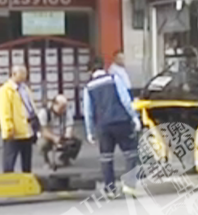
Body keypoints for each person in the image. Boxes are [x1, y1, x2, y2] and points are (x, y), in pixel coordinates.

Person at [83, 57, 142, 197]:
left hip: (103, 126)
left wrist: (90, 131)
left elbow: (88, 111)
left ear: (90, 71)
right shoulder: (114, 79)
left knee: (106, 158)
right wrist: (134, 117)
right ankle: (129, 185)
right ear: (103, 67)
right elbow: (125, 100)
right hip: (121, 120)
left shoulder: (89, 87)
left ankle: (110, 189)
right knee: (131, 153)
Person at [0, 65, 38, 173]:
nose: (25, 76)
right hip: (14, 130)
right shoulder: (5, 90)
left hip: (27, 128)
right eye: (22, 74)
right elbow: (4, 111)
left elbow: (30, 105)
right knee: (10, 158)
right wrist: (8, 128)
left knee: (27, 159)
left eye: (25, 73)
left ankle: (27, 178)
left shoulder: (25, 88)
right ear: (14, 74)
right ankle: (9, 180)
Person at [37, 94, 81, 170]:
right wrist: (55, 139)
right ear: (55, 104)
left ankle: (64, 158)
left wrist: (67, 137)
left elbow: (69, 126)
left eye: (65, 107)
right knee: (43, 144)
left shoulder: (66, 112)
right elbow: (43, 130)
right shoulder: (44, 113)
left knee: (76, 142)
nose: (63, 109)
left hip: (61, 134)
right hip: (48, 135)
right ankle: (46, 161)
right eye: (62, 107)